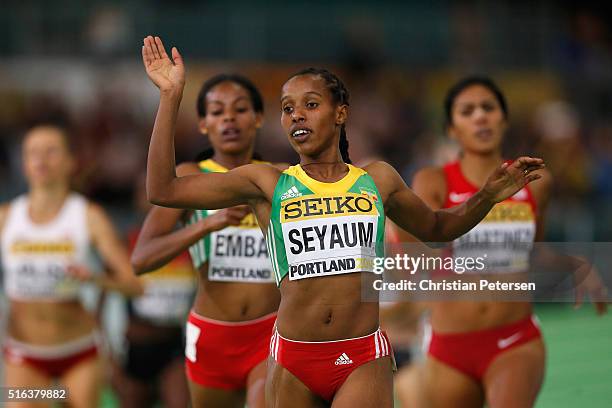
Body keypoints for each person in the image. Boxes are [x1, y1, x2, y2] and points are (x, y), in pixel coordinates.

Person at [141, 35, 544, 407]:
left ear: (341, 113)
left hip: (362, 354)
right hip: (292, 358)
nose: (297, 115)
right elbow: (163, 190)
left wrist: (487, 196)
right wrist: (170, 96)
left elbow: (438, 229)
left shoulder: (378, 179)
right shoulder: (266, 181)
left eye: (311, 104)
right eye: (287, 109)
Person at [404, 76, 602, 408]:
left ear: (504, 119)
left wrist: (577, 264)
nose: (480, 116)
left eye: (488, 108)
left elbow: (533, 255)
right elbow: (422, 246)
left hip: (514, 339)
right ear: (452, 129)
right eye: (467, 111)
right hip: (448, 346)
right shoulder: (432, 181)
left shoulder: (536, 182)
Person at [131, 72, 281, 408]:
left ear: (258, 118)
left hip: (269, 331)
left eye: (240, 109)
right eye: (216, 111)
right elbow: (141, 259)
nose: (228, 118)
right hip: (212, 336)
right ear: (203, 124)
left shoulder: (278, 177)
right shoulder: (188, 178)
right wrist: (205, 225)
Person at [0, 124, 143, 408]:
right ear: (25, 163)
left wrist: (95, 279)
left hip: (79, 354)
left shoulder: (89, 216)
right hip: (23, 355)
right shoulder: (6, 217)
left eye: (51, 151)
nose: (41, 159)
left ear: (70, 162)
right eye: (33, 152)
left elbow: (134, 285)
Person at [111, 173, 194, 408]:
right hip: (134, 347)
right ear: (136, 199)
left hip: (173, 345)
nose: (152, 200)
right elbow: (100, 301)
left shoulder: (187, 241)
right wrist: (109, 358)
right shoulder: (125, 242)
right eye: (145, 193)